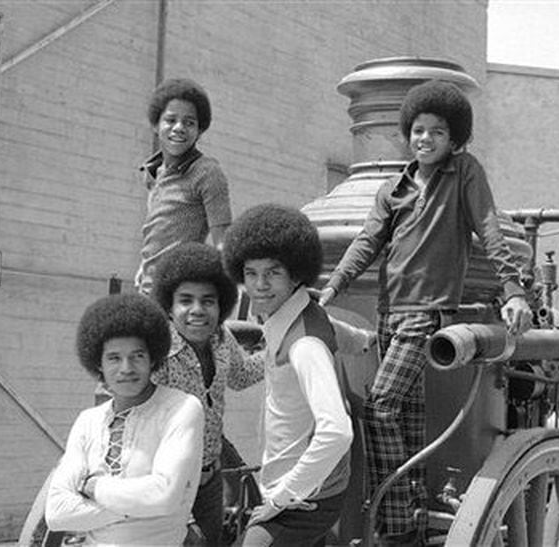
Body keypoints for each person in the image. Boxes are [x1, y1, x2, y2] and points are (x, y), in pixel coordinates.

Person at [319, 80, 533, 545]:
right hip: (387, 314)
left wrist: (514, 289)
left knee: (378, 408)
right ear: (407, 133)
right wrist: (332, 287)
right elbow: (366, 243)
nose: (426, 138)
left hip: (427, 314)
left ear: (454, 137)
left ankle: (393, 521)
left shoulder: (464, 174)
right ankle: (411, 519)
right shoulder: (391, 190)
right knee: (408, 422)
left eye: (437, 131)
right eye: (418, 129)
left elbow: (491, 230)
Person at [222, 203, 354, 547]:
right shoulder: (300, 312)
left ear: (296, 274)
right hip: (294, 484)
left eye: (273, 273)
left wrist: (281, 498)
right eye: (251, 273)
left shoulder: (304, 344)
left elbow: (338, 432)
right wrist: (368, 343)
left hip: (304, 498)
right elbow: (343, 332)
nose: (260, 285)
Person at [45, 294, 205, 546]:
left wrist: (94, 488)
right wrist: (138, 508)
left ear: (153, 358)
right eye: (114, 358)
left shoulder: (182, 408)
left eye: (137, 356)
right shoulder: (88, 421)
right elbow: (57, 513)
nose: (126, 368)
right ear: (98, 363)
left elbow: (163, 496)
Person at [151, 242, 265, 546]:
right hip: (167, 484)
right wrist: (183, 520)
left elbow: (241, 377)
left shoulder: (222, 338)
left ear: (221, 304)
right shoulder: (157, 353)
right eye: (186, 300)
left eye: (208, 301)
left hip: (210, 480)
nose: (198, 310)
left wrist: (285, 345)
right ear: (170, 306)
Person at [136, 78, 232, 294]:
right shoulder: (153, 173)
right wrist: (143, 268)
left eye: (189, 122)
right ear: (155, 124)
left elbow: (223, 244)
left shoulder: (207, 172)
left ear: (199, 130)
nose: (179, 128)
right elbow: (158, 234)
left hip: (179, 291)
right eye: (171, 120)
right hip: (147, 288)